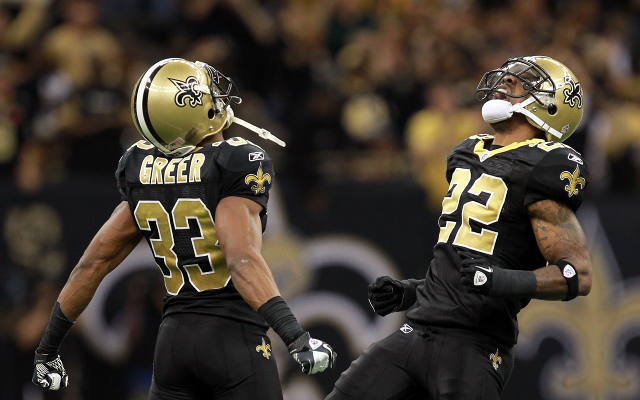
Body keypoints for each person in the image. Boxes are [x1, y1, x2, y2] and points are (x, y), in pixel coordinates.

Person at [31, 58, 337, 399]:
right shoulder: (234, 161)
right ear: (189, 109)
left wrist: (48, 348)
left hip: (173, 344)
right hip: (232, 340)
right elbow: (241, 260)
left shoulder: (140, 167)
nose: (216, 97)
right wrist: (296, 336)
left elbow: (94, 262)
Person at [326, 56, 592, 399]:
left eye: (524, 80)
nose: (507, 81)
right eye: (509, 76)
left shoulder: (542, 165)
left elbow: (577, 274)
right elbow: (464, 266)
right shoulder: (467, 153)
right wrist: (411, 291)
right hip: (417, 329)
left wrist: (499, 280)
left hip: (475, 345)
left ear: (553, 107)